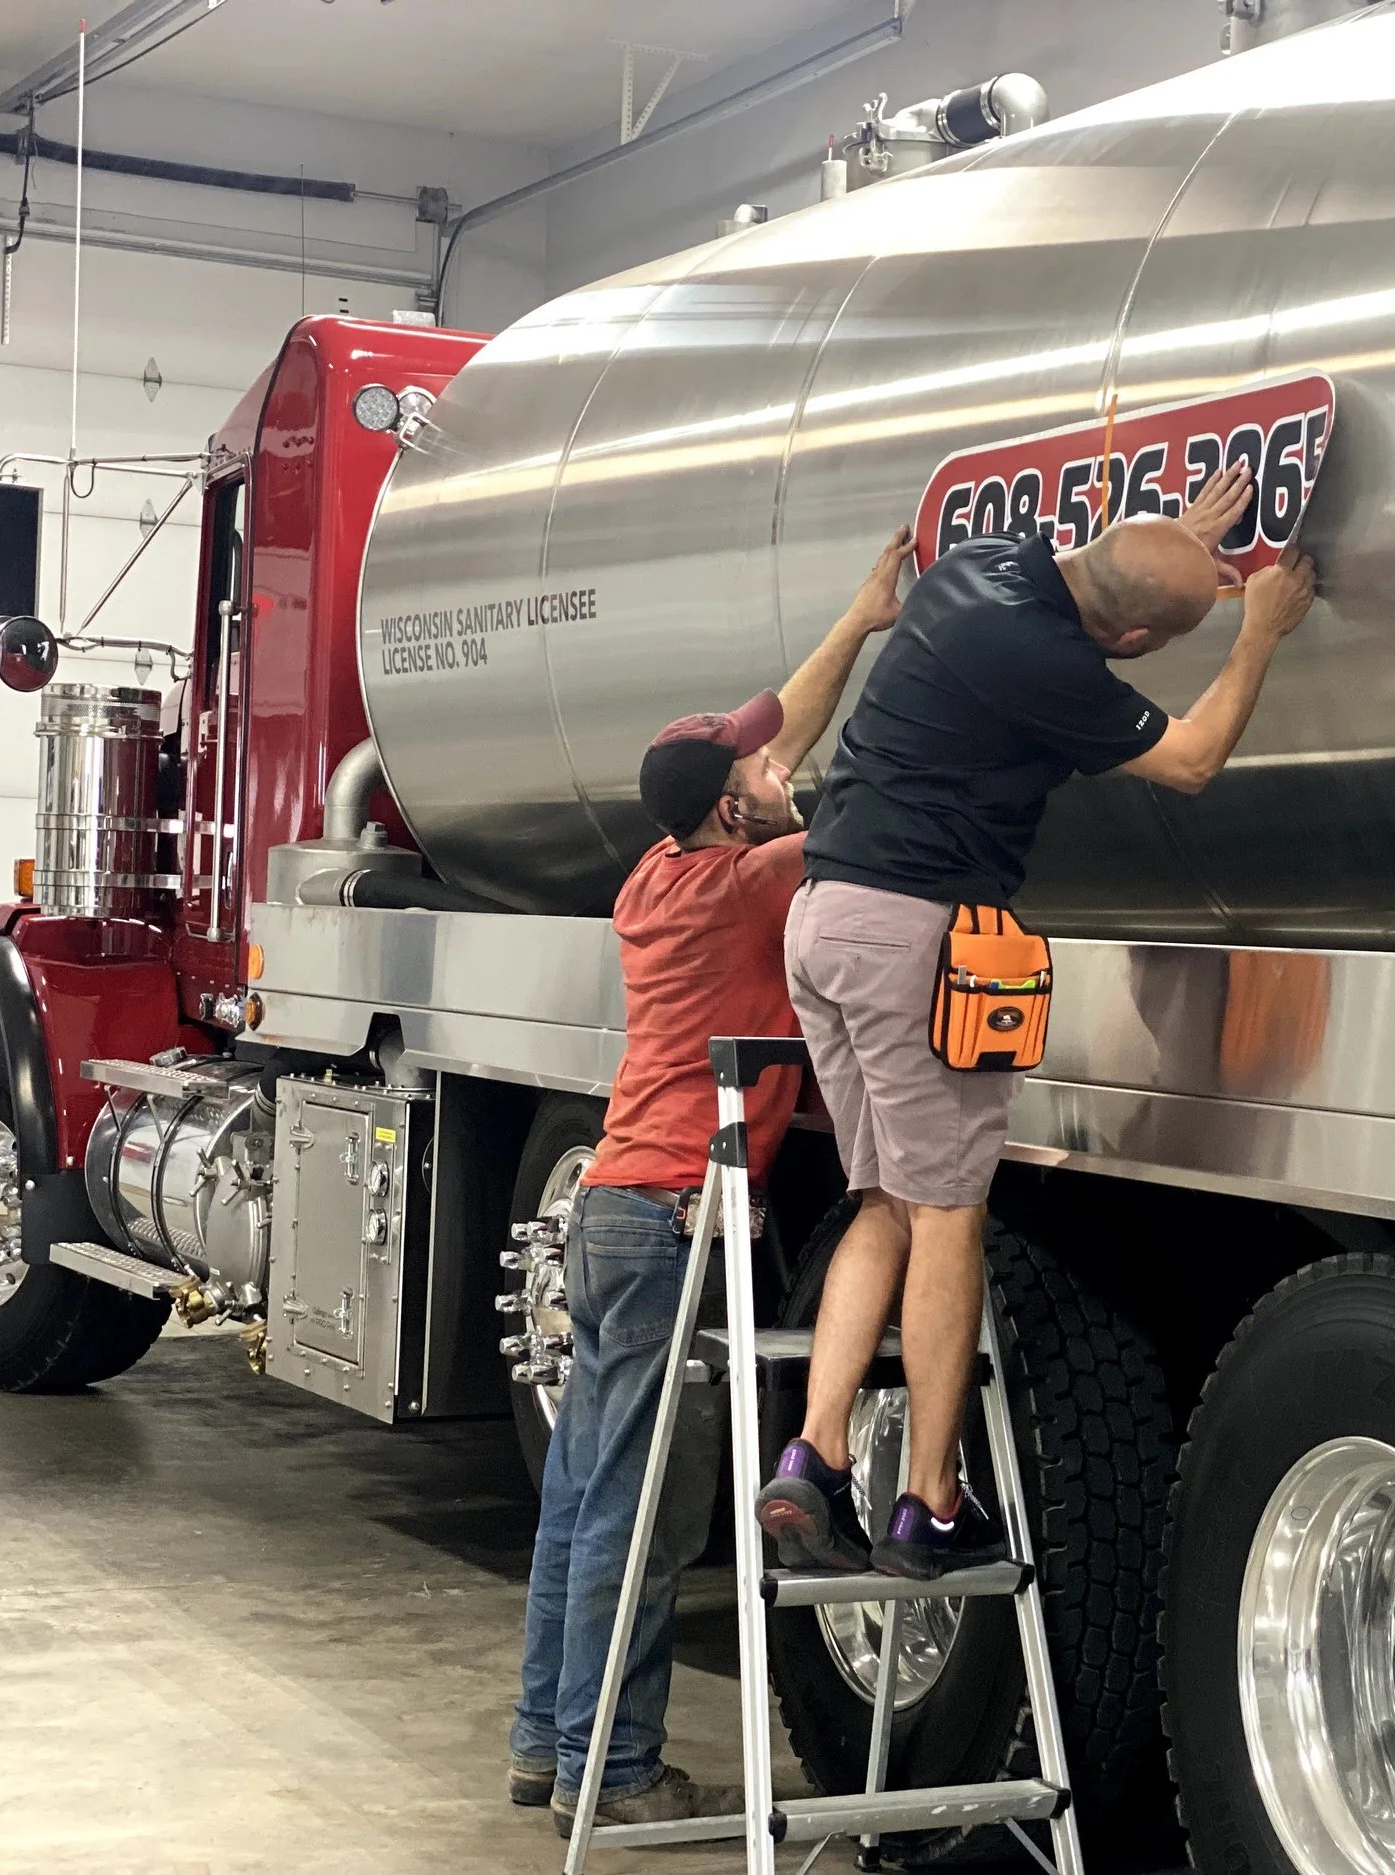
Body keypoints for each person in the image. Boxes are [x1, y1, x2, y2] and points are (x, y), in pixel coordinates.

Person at [759, 463, 1317, 1581]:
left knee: (885, 1200)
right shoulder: (1051, 666)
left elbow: (1112, 568)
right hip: (912, 932)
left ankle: (815, 1456)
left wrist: (1175, 542)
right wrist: (1258, 628)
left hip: (822, 917)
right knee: (948, 1214)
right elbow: (1192, 760)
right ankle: (929, 1500)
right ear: (1133, 641)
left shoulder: (981, 567)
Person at [509, 527, 915, 1837]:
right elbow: (869, 803)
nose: (780, 765)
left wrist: (861, 619)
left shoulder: (661, 870)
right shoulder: (751, 883)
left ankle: (546, 1745)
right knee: (640, 1513)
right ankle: (614, 1770)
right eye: (761, 770)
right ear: (734, 807)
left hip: (612, 1208)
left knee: (582, 1494)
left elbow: (782, 725)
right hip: (669, 1211)